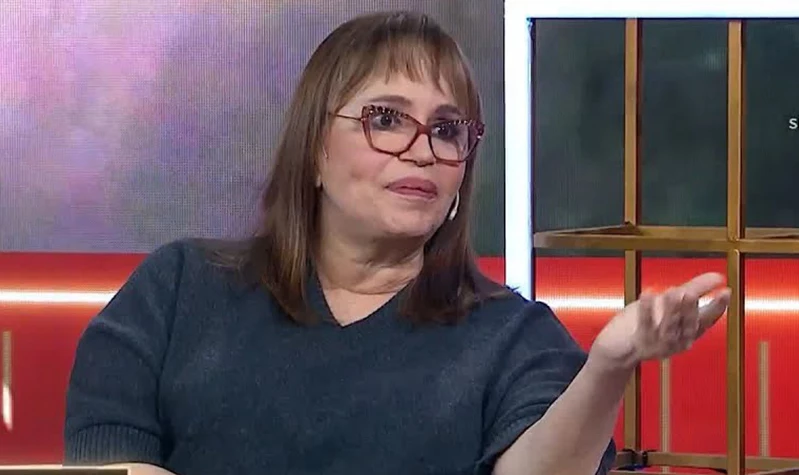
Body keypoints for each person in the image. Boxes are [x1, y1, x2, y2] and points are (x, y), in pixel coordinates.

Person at [63, 10, 732, 475]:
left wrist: (609, 365)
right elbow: (110, 457)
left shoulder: (513, 336)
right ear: (314, 150)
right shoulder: (177, 290)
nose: (421, 149)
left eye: (446, 129)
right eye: (386, 119)